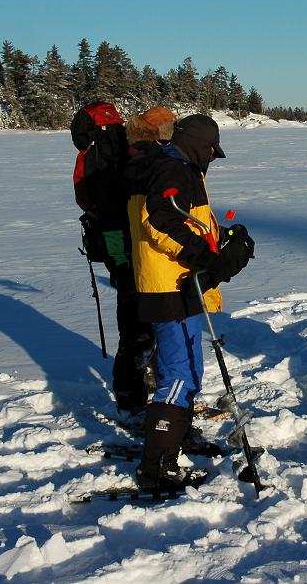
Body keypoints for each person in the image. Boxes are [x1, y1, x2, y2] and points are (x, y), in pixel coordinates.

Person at [125, 112, 254, 489]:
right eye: (211, 150)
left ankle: (176, 439)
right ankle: (157, 466)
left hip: (174, 282)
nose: (213, 157)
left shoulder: (171, 165)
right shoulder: (173, 169)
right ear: (197, 145)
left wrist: (222, 236)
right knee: (179, 375)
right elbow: (160, 222)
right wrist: (207, 259)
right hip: (171, 286)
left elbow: (185, 220)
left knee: (186, 371)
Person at [71, 100, 158, 413]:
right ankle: (147, 385)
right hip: (139, 241)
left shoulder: (88, 155)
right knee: (150, 313)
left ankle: (131, 394)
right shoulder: (128, 144)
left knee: (131, 316)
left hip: (114, 240)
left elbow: (84, 200)